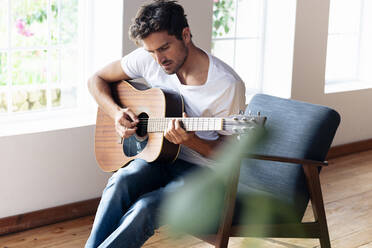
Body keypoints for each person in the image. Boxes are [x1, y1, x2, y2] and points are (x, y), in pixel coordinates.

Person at [85, 0, 246, 247]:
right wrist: (117, 113)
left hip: (206, 176)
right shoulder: (148, 58)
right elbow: (96, 80)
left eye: (164, 48)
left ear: (186, 34)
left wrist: (191, 140)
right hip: (161, 158)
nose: (158, 59)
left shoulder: (226, 85)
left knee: (145, 208)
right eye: (151, 52)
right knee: (121, 181)